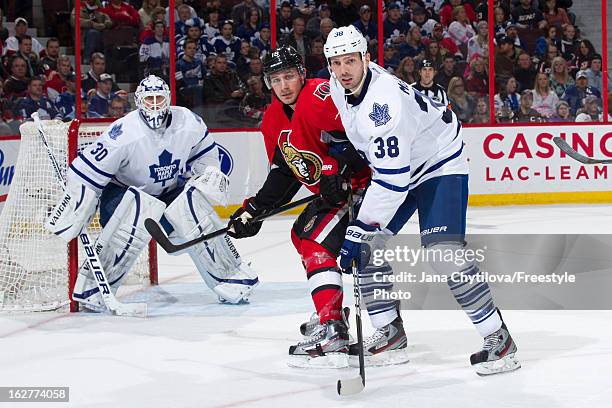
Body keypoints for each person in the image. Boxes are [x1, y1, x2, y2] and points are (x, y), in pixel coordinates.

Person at [324, 25, 520, 374]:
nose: (343, 70)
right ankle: (389, 334)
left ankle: (498, 339)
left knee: (442, 254)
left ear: (366, 59)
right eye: (336, 62)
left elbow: (393, 182)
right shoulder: (341, 86)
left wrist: (361, 227)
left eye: (350, 61)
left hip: (438, 161)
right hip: (405, 163)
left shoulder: (382, 104)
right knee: (370, 247)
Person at [45, 75, 258, 312]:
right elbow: (85, 171)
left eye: (159, 98)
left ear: (168, 99)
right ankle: (94, 288)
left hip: (167, 192)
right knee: (135, 213)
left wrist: (207, 175)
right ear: (138, 102)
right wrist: (79, 204)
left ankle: (231, 278)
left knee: (194, 206)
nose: (155, 105)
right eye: (149, 100)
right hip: (123, 195)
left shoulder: (187, 121)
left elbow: (204, 152)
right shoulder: (123, 133)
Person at [225, 45, 370, 367]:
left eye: (289, 76)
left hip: (362, 188)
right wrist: (253, 210)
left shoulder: (319, 94)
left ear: (302, 75)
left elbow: (359, 137)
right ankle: (329, 313)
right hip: (333, 193)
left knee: (314, 239)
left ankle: (333, 326)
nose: (284, 86)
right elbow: (285, 170)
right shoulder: (273, 119)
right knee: (301, 234)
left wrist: (340, 169)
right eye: (276, 80)